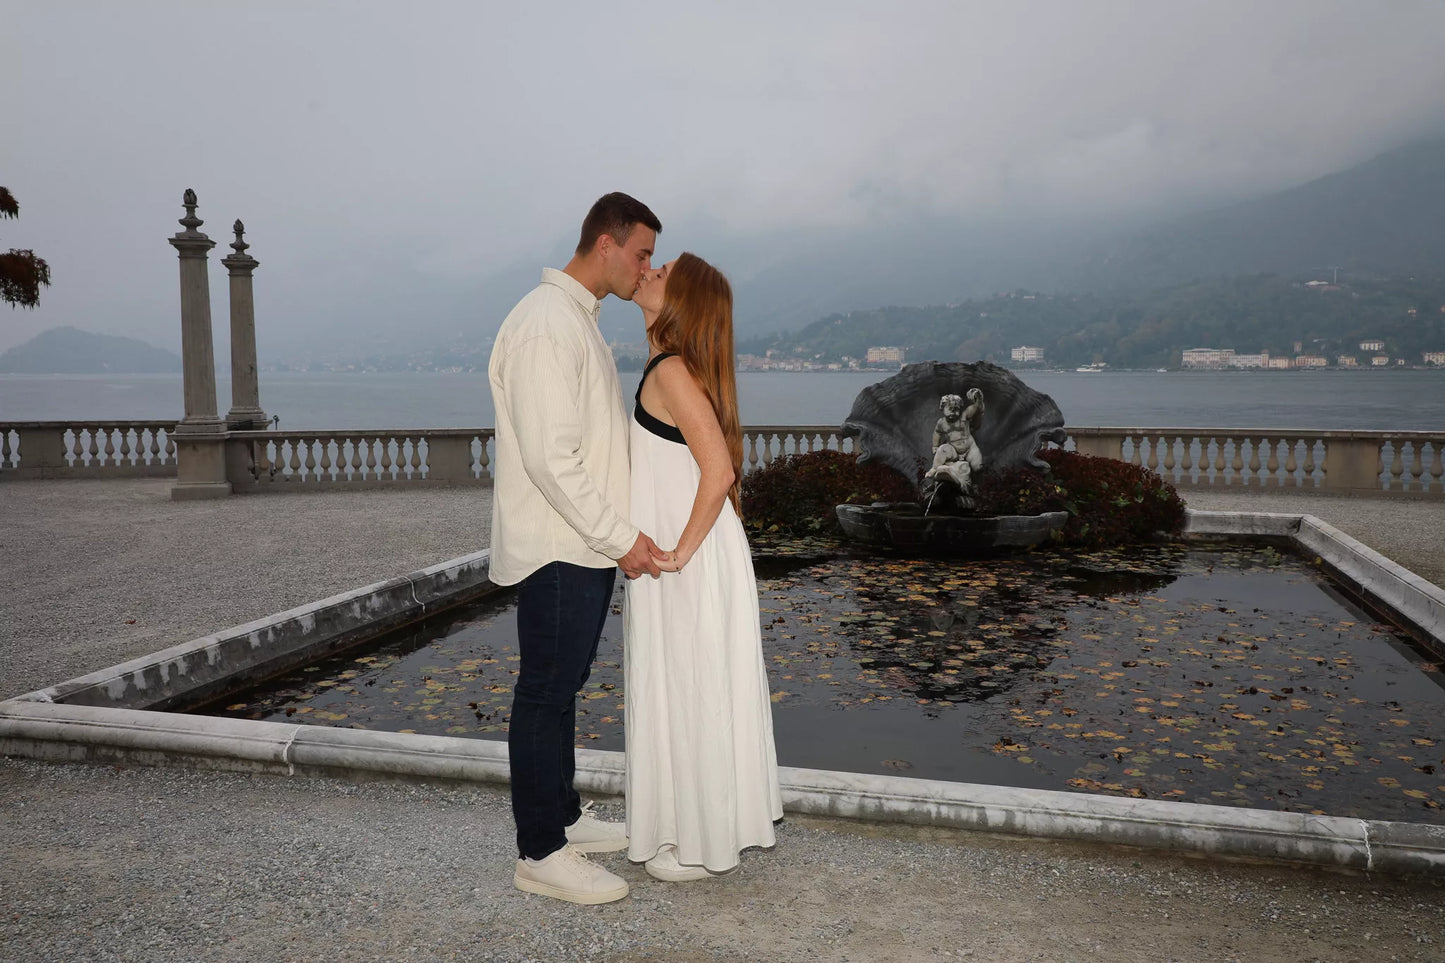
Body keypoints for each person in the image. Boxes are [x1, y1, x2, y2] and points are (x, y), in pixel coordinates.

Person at [488, 192, 671, 905]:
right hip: (560, 544)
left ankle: (561, 817)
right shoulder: (544, 325)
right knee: (543, 691)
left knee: (560, 690)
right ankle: (539, 851)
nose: (645, 266)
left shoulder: (575, 321)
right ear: (605, 243)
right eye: (641, 253)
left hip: (581, 543)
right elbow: (550, 459)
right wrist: (622, 537)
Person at [623, 252, 784, 882]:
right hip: (692, 556)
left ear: (682, 302)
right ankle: (693, 830)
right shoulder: (672, 368)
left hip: (688, 559)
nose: (652, 270)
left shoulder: (669, 371)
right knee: (694, 685)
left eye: (665, 271)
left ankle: (695, 840)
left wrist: (681, 551)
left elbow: (719, 471)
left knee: (687, 684)